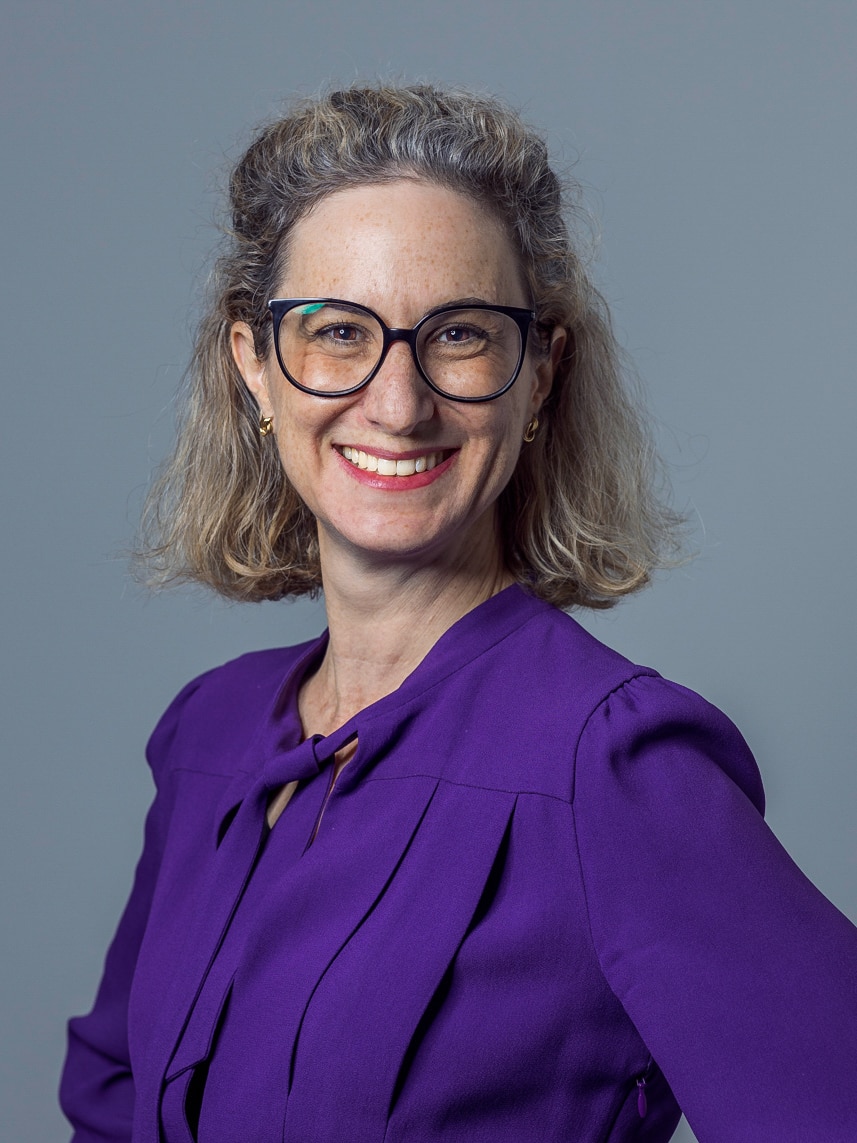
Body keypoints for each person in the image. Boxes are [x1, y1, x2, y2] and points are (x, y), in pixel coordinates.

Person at [60, 84, 857, 1143]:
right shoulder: (207, 739)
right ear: (253, 365)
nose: (397, 403)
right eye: (337, 331)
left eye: (461, 335)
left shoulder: (615, 767)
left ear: (537, 378)